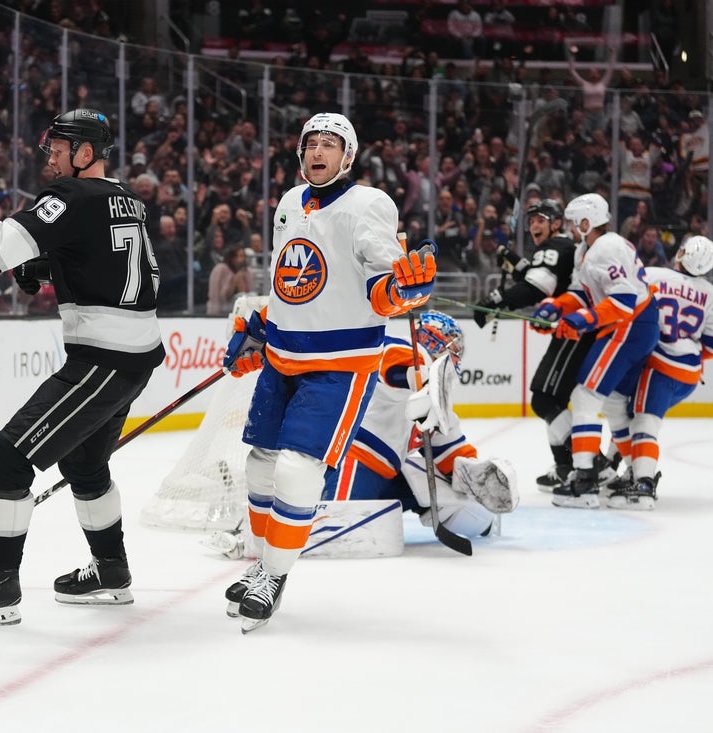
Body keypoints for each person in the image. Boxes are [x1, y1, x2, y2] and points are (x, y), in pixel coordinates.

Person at [0, 108, 165, 627]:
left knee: (6, 456)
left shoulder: (71, 196)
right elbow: (119, 264)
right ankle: (111, 570)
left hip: (105, 357)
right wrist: (46, 266)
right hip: (135, 354)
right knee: (84, 465)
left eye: (59, 149)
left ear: (85, 153)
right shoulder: (126, 199)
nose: (50, 159)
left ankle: (0, 585)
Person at [221, 112, 436, 632]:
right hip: (282, 359)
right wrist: (260, 326)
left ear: (348, 156)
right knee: (260, 466)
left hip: (339, 367)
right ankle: (263, 563)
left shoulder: (369, 204)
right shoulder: (289, 202)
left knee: (298, 471)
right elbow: (289, 282)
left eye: (329, 144)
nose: (317, 152)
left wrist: (406, 290)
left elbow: (383, 291)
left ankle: (274, 576)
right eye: (310, 143)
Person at [326, 312, 518, 540]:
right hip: (353, 460)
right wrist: (420, 378)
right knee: (337, 529)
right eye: (452, 342)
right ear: (432, 337)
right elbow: (390, 356)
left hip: (388, 476)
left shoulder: (436, 393)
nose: (456, 351)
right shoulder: (411, 354)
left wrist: (478, 476)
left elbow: (450, 449)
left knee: (472, 511)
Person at [472, 199, 611, 491]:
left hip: (577, 329)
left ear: (556, 223)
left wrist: (497, 300)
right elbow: (549, 279)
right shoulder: (564, 248)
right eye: (531, 221)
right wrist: (518, 264)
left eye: (540, 220)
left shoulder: (556, 246)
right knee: (553, 401)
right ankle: (565, 466)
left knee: (544, 400)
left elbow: (537, 287)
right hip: (580, 328)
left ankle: (591, 462)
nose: (533, 225)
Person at [532, 193, 660, 509]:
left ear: (587, 222)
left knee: (584, 397)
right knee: (614, 405)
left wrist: (582, 320)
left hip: (630, 325)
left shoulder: (607, 248)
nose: (572, 228)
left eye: (575, 223)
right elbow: (583, 293)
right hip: (633, 325)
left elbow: (623, 301)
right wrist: (557, 307)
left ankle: (585, 479)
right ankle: (636, 475)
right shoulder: (589, 250)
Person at [599, 236, 713, 509]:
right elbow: (710, 345)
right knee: (632, 414)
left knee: (642, 422)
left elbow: (627, 307)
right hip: (689, 374)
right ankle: (617, 464)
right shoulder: (710, 293)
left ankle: (643, 483)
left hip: (659, 364)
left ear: (682, 254)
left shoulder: (653, 275)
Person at [206, 244, 251, 316]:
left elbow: (247, 291)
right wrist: (233, 281)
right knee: (241, 296)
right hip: (219, 309)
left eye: (243, 256)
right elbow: (222, 296)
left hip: (236, 311)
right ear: (232, 258)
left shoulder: (245, 271)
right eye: (239, 256)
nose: (242, 260)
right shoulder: (221, 269)